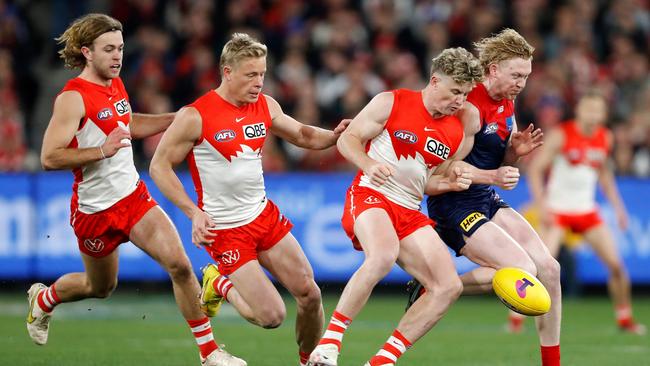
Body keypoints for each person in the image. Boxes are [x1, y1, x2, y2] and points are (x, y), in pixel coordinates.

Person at [28, 14, 245, 366]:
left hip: (133, 198)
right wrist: (102, 150)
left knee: (179, 265)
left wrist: (179, 117)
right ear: (87, 52)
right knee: (100, 288)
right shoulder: (72, 98)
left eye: (121, 49)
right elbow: (49, 157)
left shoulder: (115, 84)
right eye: (109, 49)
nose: (118, 56)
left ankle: (210, 353)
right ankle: (44, 300)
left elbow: (128, 123)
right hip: (95, 210)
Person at [149, 33, 349, 366]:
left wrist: (335, 136)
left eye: (262, 74)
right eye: (250, 75)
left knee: (310, 295)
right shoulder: (195, 116)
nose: (259, 83)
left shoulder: (265, 105)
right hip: (226, 231)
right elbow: (159, 167)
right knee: (271, 316)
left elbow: (301, 134)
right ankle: (219, 282)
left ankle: (307, 362)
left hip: (263, 217)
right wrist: (193, 213)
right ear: (227, 72)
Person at [308, 47, 482, 366]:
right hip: (371, 193)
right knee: (383, 255)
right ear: (434, 81)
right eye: (455, 91)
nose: (460, 100)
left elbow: (426, 180)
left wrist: (447, 183)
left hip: (409, 209)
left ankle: (383, 361)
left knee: (448, 286)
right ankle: (329, 344)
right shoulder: (392, 101)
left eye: (466, 93)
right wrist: (368, 163)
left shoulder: (457, 129)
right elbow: (349, 139)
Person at [406, 29, 562, 366]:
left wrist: (514, 153)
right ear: (493, 70)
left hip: (484, 198)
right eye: (516, 74)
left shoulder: (507, 100)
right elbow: (445, 170)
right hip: (453, 204)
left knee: (549, 268)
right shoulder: (468, 105)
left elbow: (499, 157)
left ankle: (553, 362)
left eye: (526, 76)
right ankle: (436, 286)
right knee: (522, 267)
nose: (522, 82)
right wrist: (493, 175)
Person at [528, 92, 646, 335]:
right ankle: (517, 316)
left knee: (616, 267)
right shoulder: (562, 134)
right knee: (540, 267)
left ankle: (624, 319)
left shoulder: (605, 137)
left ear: (604, 114)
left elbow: (604, 174)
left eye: (597, 110)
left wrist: (619, 209)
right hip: (558, 210)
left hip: (586, 210)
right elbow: (535, 170)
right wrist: (542, 206)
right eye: (588, 109)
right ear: (579, 111)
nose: (593, 114)